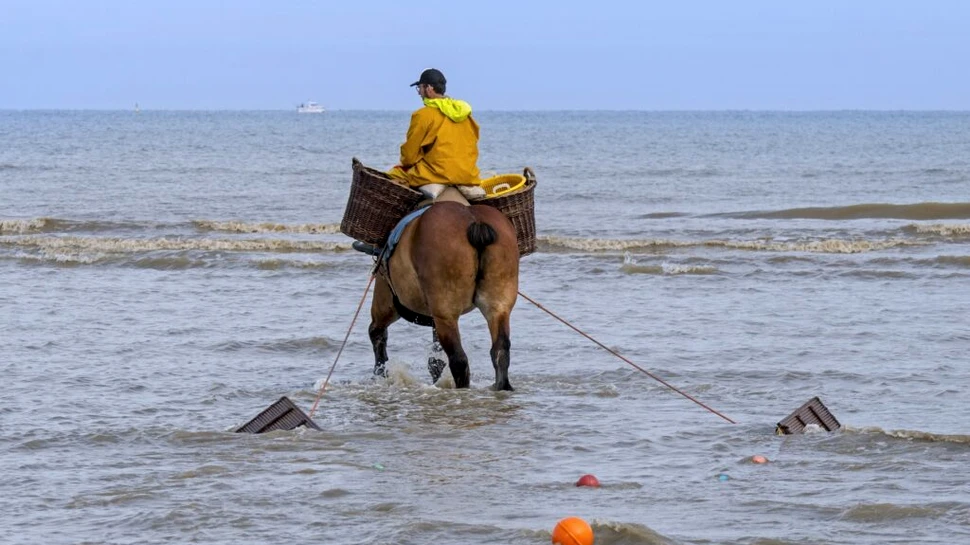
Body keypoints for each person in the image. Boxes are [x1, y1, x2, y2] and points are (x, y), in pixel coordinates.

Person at [387, 68, 481, 189]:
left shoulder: (422, 115)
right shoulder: (465, 115)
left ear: (429, 88)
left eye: (420, 88)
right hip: (468, 175)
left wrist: (405, 162)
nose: (419, 93)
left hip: (436, 174)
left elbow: (410, 156)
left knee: (393, 174)